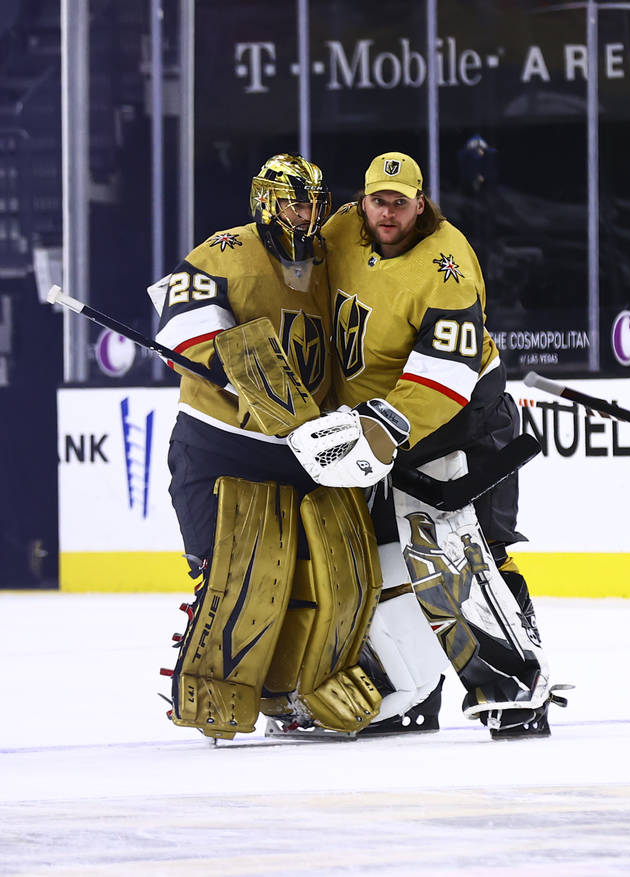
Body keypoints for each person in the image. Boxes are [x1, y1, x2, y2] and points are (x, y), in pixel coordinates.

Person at [289, 151, 565, 739]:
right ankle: (407, 696)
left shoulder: (448, 264)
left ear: (421, 203)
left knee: (455, 554)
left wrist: (381, 428)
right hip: (379, 427)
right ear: (361, 201)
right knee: (381, 560)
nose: (387, 213)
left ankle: (516, 686)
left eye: (400, 202)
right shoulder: (341, 229)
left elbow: (446, 372)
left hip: (460, 420)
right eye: (377, 200)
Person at [156, 154, 385, 741]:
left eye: (313, 202)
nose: (306, 214)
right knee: (234, 576)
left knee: (324, 580)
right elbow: (180, 323)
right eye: (294, 202)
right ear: (266, 200)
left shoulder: (331, 262)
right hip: (220, 442)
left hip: (304, 446)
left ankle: (289, 694)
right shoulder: (225, 249)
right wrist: (227, 362)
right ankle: (217, 687)